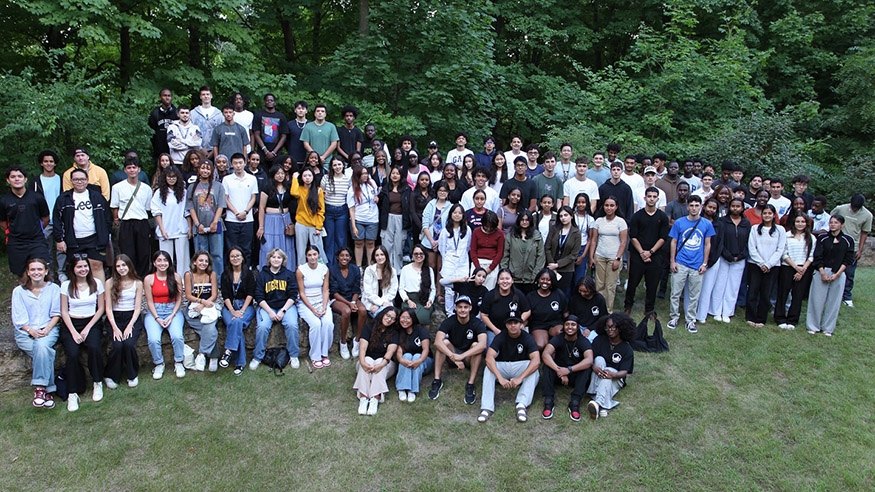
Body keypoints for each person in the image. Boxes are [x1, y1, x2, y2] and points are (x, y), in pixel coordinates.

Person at [12, 257, 61, 409]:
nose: (36, 272)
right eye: (32, 269)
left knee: (42, 346)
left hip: (48, 330)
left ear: (46, 271)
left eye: (39, 269)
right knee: (45, 351)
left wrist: (47, 329)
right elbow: (19, 319)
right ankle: (48, 391)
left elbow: (56, 313)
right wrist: (31, 331)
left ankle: (39, 388)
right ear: (28, 272)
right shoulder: (19, 292)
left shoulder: (54, 289)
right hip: (25, 332)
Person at [59, 255, 106, 411]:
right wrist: (74, 332)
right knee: (72, 353)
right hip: (71, 323)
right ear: (73, 268)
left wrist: (87, 329)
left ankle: (97, 382)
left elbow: (101, 309)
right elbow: (64, 311)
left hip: (92, 322)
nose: (83, 269)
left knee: (94, 347)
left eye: (85, 266)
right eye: (79, 267)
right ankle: (73, 392)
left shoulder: (97, 283)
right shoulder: (66, 285)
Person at [478, 314, 541, 423]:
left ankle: (522, 404)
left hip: (519, 367)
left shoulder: (527, 337)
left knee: (534, 369)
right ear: (506, 325)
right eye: (510, 323)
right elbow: (489, 358)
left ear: (521, 324)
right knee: (488, 368)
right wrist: (500, 378)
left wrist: (520, 378)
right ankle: (486, 407)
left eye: (515, 323)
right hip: (503, 365)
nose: (512, 326)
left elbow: (536, 360)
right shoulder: (501, 336)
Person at [54, 168, 112, 282]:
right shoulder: (64, 199)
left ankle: (100, 296)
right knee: (76, 268)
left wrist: (105, 234)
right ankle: (77, 296)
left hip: (94, 238)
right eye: (76, 179)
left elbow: (107, 217)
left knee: (97, 266)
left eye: (82, 179)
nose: (79, 182)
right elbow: (57, 220)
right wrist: (59, 239)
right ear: (71, 181)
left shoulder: (96, 197)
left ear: (87, 180)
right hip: (73, 239)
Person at [668, 195, 715, 333]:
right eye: (692, 205)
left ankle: (691, 320)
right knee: (675, 292)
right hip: (681, 262)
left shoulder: (707, 224)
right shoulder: (679, 223)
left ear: (701, 207)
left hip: (697, 264)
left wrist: (705, 263)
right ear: (687, 207)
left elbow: (707, 244)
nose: (694, 208)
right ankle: (674, 317)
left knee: (695, 294)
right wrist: (672, 261)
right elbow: (674, 242)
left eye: (697, 205)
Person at [252, 248, 301, 370]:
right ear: (269, 259)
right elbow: (258, 296)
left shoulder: (289, 274)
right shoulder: (262, 275)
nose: (276, 259)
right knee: (262, 327)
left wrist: (283, 311)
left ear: (283, 260)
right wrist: (270, 312)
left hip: (286, 306)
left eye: (279, 257)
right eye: (273, 257)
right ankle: (258, 357)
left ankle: (294, 355)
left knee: (292, 325)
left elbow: (293, 295)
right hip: (267, 307)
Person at [807, 215, 854, 336]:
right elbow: (818, 256)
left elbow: (848, 259)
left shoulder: (848, 240)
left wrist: (837, 274)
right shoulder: (822, 238)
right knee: (816, 299)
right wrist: (822, 272)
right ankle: (813, 326)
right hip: (821, 270)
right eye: (831, 222)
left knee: (834, 301)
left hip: (838, 272)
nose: (833, 225)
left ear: (842, 225)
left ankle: (828, 328)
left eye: (836, 223)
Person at [625, 187, 669, 315]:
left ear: (658, 199)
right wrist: (642, 253)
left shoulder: (663, 217)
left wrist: (650, 252)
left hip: (655, 256)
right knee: (632, 283)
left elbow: (663, 237)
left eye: (654, 197)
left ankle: (649, 309)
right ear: (645, 198)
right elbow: (633, 236)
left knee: (652, 284)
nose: (651, 199)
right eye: (649, 196)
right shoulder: (637, 216)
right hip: (638, 255)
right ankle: (628, 306)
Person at [540, 315, 593, 421]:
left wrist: (569, 369)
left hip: (574, 375)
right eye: (567, 324)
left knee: (586, 369)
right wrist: (559, 370)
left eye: (573, 325)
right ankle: (549, 400)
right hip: (558, 373)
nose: (570, 327)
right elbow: (545, 354)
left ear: (578, 327)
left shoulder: (583, 341)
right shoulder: (558, 338)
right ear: (563, 326)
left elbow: (589, 360)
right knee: (547, 366)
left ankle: (575, 402)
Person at [143, 250, 186, 380]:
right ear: (154, 263)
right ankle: (159, 363)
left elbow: (179, 298)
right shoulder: (149, 279)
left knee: (177, 336)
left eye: (165, 260)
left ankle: (179, 362)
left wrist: (172, 315)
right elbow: (149, 301)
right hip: (155, 312)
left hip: (173, 311)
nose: (162, 263)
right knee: (153, 339)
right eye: (159, 260)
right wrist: (157, 318)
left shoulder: (176, 277)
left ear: (169, 262)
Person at [1, 166, 50, 276]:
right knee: (22, 274)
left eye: (20, 176)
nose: (17, 179)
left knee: (41, 272)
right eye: (13, 177)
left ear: (25, 179)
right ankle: (25, 293)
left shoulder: (37, 197)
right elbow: (2, 222)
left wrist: (35, 229)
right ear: (8, 180)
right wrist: (13, 230)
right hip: (16, 242)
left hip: (36, 241)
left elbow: (46, 218)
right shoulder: (4, 200)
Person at [104, 258, 144, 389]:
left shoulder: (137, 283)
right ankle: (111, 375)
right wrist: (115, 328)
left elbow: (138, 308)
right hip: (114, 318)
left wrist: (129, 326)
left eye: (124, 265)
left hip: (131, 318)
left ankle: (132, 374)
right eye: (118, 266)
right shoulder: (109, 283)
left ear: (129, 266)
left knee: (128, 343)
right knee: (117, 345)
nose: (121, 268)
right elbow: (108, 308)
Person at [110, 156, 153, 278]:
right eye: (129, 168)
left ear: (139, 169)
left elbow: (148, 208)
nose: (132, 170)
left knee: (144, 253)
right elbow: (115, 206)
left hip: (141, 221)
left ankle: (143, 278)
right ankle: (129, 278)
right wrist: (116, 220)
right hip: (126, 222)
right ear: (125, 170)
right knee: (128, 253)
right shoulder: (117, 187)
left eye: (134, 167)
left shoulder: (146, 188)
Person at [586, 313, 635, 419]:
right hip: (597, 374)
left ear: (620, 328)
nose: (610, 329)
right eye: (608, 327)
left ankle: (598, 403)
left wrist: (613, 374)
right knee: (598, 359)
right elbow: (589, 358)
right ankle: (603, 405)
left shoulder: (627, 349)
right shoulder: (599, 340)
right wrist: (594, 367)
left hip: (616, 377)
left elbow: (624, 372)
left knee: (608, 370)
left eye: (613, 327)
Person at [710, 198, 751, 323]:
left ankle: (727, 312)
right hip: (723, 257)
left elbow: (748, 242)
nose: (735, 208)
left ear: (742, 208)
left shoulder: (746, 223)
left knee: (733, 286)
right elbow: (719, 241)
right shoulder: (723, 221)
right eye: (733, 206)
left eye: (738, 206)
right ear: (729, 207)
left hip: (740, 258)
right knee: (720, 284)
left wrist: (740, 256)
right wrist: (727, 255)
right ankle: (716, 311)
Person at [745, 204, 786, 327]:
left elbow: (780, 249)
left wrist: (768, 264)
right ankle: (751, 316)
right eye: (765, 213)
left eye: (769, 213)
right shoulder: (755, 228)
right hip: (755, 264)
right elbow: (752, 247)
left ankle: (761, 318)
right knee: (752, 291)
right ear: (761, 215)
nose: (767, 215)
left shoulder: (780, 230)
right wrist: (761, 263)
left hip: (772, 266)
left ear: (774, 215)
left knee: (765, 293)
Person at [354, 307, 399, 415]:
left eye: (392, 319)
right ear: (382, 314)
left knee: (379, 361)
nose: (389, 319)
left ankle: (375, 398)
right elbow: (363, 348)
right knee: (368, 359)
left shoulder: (394, 332)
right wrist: (363, 362)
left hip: (386, 364)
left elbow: (390, 351)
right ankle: (364, 399)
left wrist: (381, 364)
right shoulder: (368, 327)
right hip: (366, 362)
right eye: (388, 316)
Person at [295, 244, 334, 368]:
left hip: (321, 301)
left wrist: (324, 307)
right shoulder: (301, 270)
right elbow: (301, 293)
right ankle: (315, 356)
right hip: (306, 304)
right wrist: (312, 309)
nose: (312, 257)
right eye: (309, 255)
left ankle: (324, 353)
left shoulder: (324, 269)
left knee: (328, 323)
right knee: (316, 324)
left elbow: (325, 290)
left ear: (318, 255)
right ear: (306, 256)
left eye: (314, 254)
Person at [775, 215, 815, 330]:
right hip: (787, 267)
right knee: (783, 293)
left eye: (803, 221)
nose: (800, 224)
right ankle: (780, 318)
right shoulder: (787, 236)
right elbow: (784, 253)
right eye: (798, 221)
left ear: (806, 223)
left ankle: (792, 320)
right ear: (794, 222)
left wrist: (802, 270)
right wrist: (795, 267)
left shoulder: (811, 238)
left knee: (798, 295)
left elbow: (812, 256)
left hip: (803, 269)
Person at [831, 194, 871, 307]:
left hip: (853, 246)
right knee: (832, 269)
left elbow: (864, 232)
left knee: (849, 272)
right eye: (853, 207)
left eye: (857, 208)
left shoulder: (867, 215)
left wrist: (860, 249)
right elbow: (831, 220)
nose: (854, 209)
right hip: (837, 243)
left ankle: (847, 296)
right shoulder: (841, 208)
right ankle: (832, 293)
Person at [219, 247, 255, 375]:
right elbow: (225, 296)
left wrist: (242, 310)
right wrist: (233, 311)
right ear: (229, 259)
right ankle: (239, 364)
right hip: (230, 307)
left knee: (237, 322)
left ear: (243, 257)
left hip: (246, 306)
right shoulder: (225, 274)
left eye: (238, 255)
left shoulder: (249, 274)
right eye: (232, 256)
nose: (235, 258)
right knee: (237, 323)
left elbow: (251, 294)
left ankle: (228, 351)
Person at [188, 159, 226, 277]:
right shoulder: (192, 187)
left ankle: (218, 281)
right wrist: (197, 224)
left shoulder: (218, 186)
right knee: (200, 254)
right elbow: (190, 207)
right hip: (199, 225)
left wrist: (215, 222)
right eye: (203, 168)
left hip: (216, 223)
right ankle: (201, 279)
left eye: (208, 168)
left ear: (212, 171)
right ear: (199, 170)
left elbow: (221, 205)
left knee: (217, 254)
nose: (205, 171)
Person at [183, 251, 220, 372]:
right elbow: (188, 295)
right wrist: (201, 302)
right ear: (194, 262)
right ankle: (214, 356)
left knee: (209, 324)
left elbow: (214, 295)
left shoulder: (212, 274)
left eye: (206, 261)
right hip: (194, 306)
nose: (203, 263)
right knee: (210, 330)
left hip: (209, 304)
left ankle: (201, 355)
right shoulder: (188, 275)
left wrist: (205, 305)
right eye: (200, 260)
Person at [31, 151, 65, 280]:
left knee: (62, 250)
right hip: (43, 221)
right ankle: (48, 276)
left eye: (51, 161)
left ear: (55, 163)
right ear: (41, 163)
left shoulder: (61, 179)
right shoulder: (35, 181)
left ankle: (62, 275)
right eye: (46, 161)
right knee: (45, 250)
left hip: (60, 220)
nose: (48, 164)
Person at [150, 166, 189, 277]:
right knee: (165, 258)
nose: (171, 179)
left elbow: (187, 211)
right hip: (165, 228)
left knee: (183, 258)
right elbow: (156, 212)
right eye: (169, 177)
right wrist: (162, 229)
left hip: (181, 228)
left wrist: (190, 228)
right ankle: (166, 280)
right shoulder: (159, 193)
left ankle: (182, 282)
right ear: (165, 178)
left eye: (174, 177)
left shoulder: (183, 192)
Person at [591, 197, 628, 314]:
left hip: (614, 257)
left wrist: (618, 258)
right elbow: (593, 240)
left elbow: (623, 242)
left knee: (610, 286)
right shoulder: (598, 221)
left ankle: (608, 311)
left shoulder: (621, 222)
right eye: (607, 205)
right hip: (600, 256)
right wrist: (591, 257)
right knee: (599, 285)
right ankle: (598, 310)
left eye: (612, 205)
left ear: (616, 207)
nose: (609, 208)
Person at [256, 164, 295, 269]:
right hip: (270, 220)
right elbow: (261, 208)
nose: (280, 176)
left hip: (285, 219)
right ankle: (267, 273)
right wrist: (261, 226)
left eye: (282, 173)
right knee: (268, 246)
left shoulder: (288, 187)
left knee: (286, 246)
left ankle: (287, 272)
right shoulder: (267, 187)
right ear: (273, 174)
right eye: (278, 173)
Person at [222, 153, 259, 263]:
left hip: (248, 219)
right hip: (231, 219)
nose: (238, 165)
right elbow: (226, 198)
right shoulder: (227, 179)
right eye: (235, 163)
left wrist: (245, 211)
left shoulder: (252, 179)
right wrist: (236, 212)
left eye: (240, 163)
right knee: (231, 249)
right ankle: (231, 275)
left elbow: (253, 197)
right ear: (231, 164)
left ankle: (246, 273)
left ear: (245, 163)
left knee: (246, 249)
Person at [329, 248, 366, 359]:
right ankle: (343, 343)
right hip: (338, 299)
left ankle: (357, 340)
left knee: (363, 310)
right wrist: (349, 304)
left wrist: (353, 301)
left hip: (352, 297)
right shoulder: (332, 270)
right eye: (342, 255)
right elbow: (334, 292)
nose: (344, 258)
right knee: (346, 311)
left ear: (350, 258)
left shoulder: (355, 270)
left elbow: (356, 289)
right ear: (337, 257)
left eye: (347, 256)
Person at [481, 268, 532, 346]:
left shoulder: (518, 294)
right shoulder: (490, 295)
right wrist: (495, 330)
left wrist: (520, 322)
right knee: (494, 351)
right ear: (498, 281)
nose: (505, 281)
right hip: (494, 330)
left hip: (514, 329)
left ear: (512, 280)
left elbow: (527, 311)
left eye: (507, 279)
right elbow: (484, 315)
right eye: (502, 279)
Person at [694, 199, 725, 324]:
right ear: (704, 207)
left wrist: (710, 262)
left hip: (713, 260)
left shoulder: (719, 224)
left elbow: (720, 244)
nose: (711, 210)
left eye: (714, 208)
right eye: (709, 207)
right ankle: (691, 312)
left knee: (707, 288)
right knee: (694, 288)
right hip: (695, 259)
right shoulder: (696, 221)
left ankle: (701, 315)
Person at [500, 209, 545, 293]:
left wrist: (535, 276)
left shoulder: (537, 236)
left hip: (531, 279)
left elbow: (540, 257)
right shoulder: (511, 236)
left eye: (527, 220)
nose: (524, 222)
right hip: (513, 278)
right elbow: (505, 257)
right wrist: (506, 274)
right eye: (522, 220)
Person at [394, 308, 433, 402]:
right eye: (403, 317)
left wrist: (418, 361)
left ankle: (412, 390)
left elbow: (425, 349)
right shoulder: (399, 331)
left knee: (416, 356)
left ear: (413, 319)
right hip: (407, 360)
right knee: (406, 355)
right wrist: (401, 360)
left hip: (424, 360)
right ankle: (402, 389)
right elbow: (399, 352)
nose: (405, 320)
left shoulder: (420, 329)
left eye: (408, 318)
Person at [438, 204, 472, 314]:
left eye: (460, 213)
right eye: (455, 212)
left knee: (462, 288)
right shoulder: (445, 231)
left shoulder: (467, 230)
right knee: (449, 290)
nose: (457, 215)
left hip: (462, 262)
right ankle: (449, 313)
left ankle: (461, 311)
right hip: (449, 261)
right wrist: (449, 258)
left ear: (463, 215)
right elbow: (442, 249)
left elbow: (468, 247)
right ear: (451, 214)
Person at [377, 166, 410, 271]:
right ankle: (386, 268)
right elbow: (380, 204)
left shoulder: (406, 189)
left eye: (397, 174)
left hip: (401, 218)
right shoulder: (385, 188)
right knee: (387, 244)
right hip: (388, 218)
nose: (395, 176)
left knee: (399, 245)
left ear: (401, 176)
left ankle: (397, 269)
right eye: (393, 173)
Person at [320, 157, 352, 265]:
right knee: (329, 238)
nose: (337, 167)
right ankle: (329, 264)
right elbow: (321, 194)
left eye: (339, 164)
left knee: (341, 238)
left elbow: (350, 196)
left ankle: (341, 262)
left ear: (343, 165)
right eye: (335, 165)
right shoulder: (326, 178)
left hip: (342, 210)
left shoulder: (347, 179)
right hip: (328, 210)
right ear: (331, 167)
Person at [526, 268, 568, 350]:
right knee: (540, 345)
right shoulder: (531, 296)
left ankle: (555, 350)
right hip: (538, 325)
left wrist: (568, 325)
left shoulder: (558, 294)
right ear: (538, 280)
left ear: (552, 282)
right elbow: (527, 315)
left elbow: (565, 312)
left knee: (561, 334)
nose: (545, 282)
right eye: (542, 279)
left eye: (548, 280)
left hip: (555, 323)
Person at [347, 164, 379, 266]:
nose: (366, 176)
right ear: (357, 175)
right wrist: (353, 225)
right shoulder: (352, 189)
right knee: (358, 243)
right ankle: (359, 267)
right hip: (358, 219)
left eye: (366, 173)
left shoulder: (372, 183)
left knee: (370, 243)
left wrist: (376, 197)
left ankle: (370, 266)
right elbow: (351, 209)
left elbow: (376, 193)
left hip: (372, 218)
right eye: (363, 174)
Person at [545, 206, 581, 296]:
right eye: (561, 216)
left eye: (566, 215)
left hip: (566, 269)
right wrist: (552, 264)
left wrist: (558, 265)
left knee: (561, 294)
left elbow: (573, 255)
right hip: (551, 266)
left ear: (571, 216)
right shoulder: (554, 229)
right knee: (549, 292)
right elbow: (547, 247)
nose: (563, 218)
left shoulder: (576, 232)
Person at [399, 244, 436, 327]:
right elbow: (401, 288)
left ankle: (424, 339)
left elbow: (433, 289)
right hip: (409, 299)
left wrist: (430, 300)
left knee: (424, 318)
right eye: (416, 254)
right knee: (409, 317)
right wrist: (408, 301)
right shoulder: (406, 269)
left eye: (421, 254)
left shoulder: (429, 270)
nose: (418, 256)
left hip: (424, 300)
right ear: (412, 255)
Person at [470, 210, 505, 289]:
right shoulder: (476, 232)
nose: (489, 229)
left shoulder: (500, 234)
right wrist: (478, 268)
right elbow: (473, 251)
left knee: (490, 285)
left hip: (492, 263)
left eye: (491, 227)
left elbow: (499, 253)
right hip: (477, 262)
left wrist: (490, 269)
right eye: (486, 226)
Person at [252, 93, 289, 167]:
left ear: (274, 102)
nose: (269, 102)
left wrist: (274, 152)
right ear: (264, 102)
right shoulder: (259, 115)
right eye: (267, 100)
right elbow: (256, 134)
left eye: (271, 100)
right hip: (262, 152)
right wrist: (265, 150)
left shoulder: (281, 116)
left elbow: (284, 135)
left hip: (277, 153)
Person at [361, 245, 399, 314]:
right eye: (377, 255)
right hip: (370, 302)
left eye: (382, 254)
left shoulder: (392, 271)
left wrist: (380, 303)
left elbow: (392, 292)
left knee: (390, 315)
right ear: (374, 257)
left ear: (386, 256)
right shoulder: (369, 270)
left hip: (386, 302)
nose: (380, 257)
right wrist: (379, 303)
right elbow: (368, 292)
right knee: (380, 315)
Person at [190, 86, 223, 159]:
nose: (206, 96)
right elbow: (191, 132)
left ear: (211, 96)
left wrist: (214, 150)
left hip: (215, 149)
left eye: (208, 94)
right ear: (200, 97)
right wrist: (200, 148)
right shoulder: (193, 113)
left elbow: (221, 132)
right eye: (203, 94)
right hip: (198, 150)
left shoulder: (218, 114)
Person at [148, 88, 177, 159]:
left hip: (174, 150)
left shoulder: (177, 113)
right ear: (160, 97)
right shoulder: (155, 113)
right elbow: (151, 131)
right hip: (159, 148)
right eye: (165, 95)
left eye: (169, 96)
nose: (167, 98)